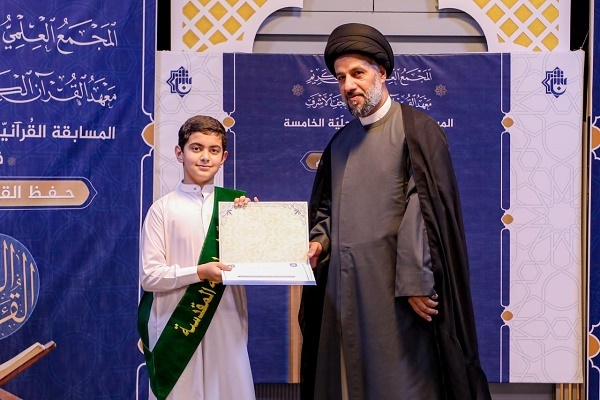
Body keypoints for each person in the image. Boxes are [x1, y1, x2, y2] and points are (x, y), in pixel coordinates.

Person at [299, 23, 491, 400]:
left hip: (396, 295)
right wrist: (320, 241)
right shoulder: (339, 144)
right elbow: (327, 210)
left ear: (382, 73)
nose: (348, 85)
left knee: (401, 383)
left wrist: (416, 282)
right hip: (343, 289)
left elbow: (424, 210)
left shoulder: (417, 130)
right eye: (341, 78)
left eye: (358, 73)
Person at [137, 115, 257, 400]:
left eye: (213, 150)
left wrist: (256, 224)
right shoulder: (162, 210)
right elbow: (150, 277)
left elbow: (255, 265)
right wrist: (200, 272)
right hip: (176, 328)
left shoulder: (235, 208)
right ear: (179, 153)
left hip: (225, 322)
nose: (205, 157)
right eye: (196, 148)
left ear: (223, 157)